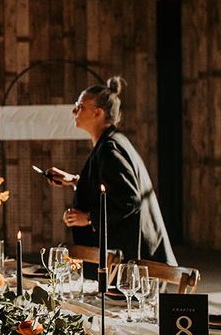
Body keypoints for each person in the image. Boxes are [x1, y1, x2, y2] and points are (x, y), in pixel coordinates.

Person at [46, 76, 177, 266]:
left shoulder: (109, 148)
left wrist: (88, 218)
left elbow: (129, 199)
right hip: (130, 254)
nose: (74, 111)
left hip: (136, 259)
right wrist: (75, 180)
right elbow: (112, 185)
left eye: (80, 106)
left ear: (98, 113)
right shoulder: (111, 142)